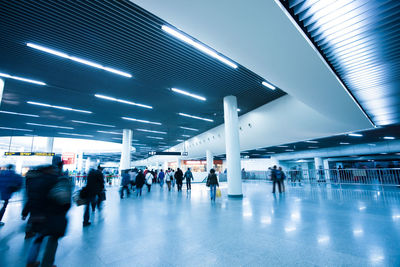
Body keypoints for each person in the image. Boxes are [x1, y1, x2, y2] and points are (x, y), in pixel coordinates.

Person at [23, 156, 71, 267]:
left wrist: (26, 212)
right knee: (53, 239)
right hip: (53, 216)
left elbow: (32, 199)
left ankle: (30, 262)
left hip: (38, 215)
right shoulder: (57, 180)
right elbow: (63, 200)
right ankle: (47, 264)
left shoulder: (35, 181)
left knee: (38, 238)